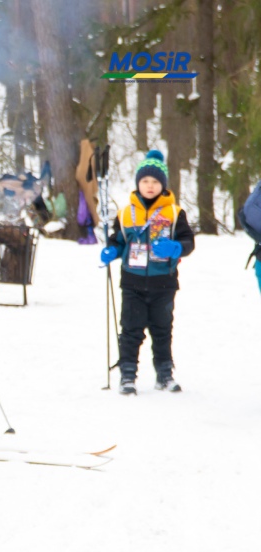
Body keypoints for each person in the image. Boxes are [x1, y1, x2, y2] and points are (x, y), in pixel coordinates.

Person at [100, 149, 195, 394]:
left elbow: (188, 242)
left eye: (155, 182)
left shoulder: (174, 213)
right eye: (145, 181)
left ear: (163, 185)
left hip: (164, 283)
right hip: (132, 283)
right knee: (131, 330)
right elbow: (118, 240)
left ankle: (164, 374)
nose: (149, 186)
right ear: (138, 184)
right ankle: (128, 375)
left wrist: (176, 248)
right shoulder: (125, 213)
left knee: (162, 330)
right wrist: (112, 250)